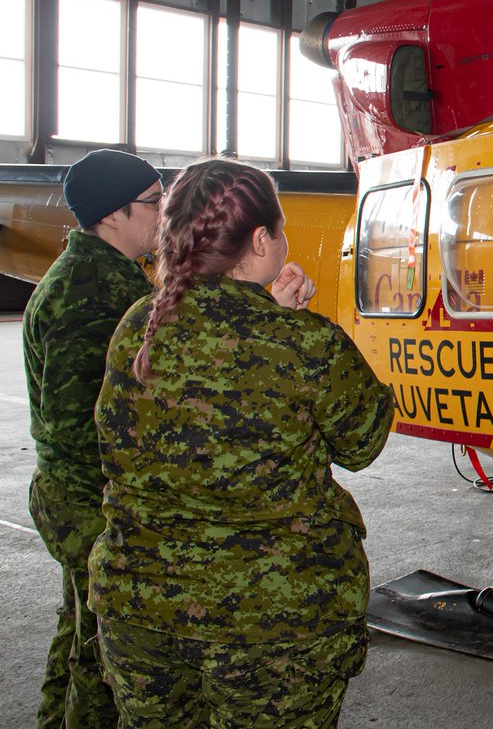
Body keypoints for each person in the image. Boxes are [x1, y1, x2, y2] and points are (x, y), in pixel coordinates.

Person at [87, 158, 395, 727]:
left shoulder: (138, 325)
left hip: (142, 617)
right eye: (278, 229)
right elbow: (363, 439)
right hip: (273, 626)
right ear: (260, 239)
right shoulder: (305, 344)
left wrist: (273, 316)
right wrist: (293, 325)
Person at [23, 148, 164, 728]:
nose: (163, 216)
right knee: (107, 659)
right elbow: (77, 423)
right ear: (113, 215)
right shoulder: (93, 294)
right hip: (91, 503)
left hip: (79, 499)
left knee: (79, 630)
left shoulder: (102, 277)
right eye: (155, 204)